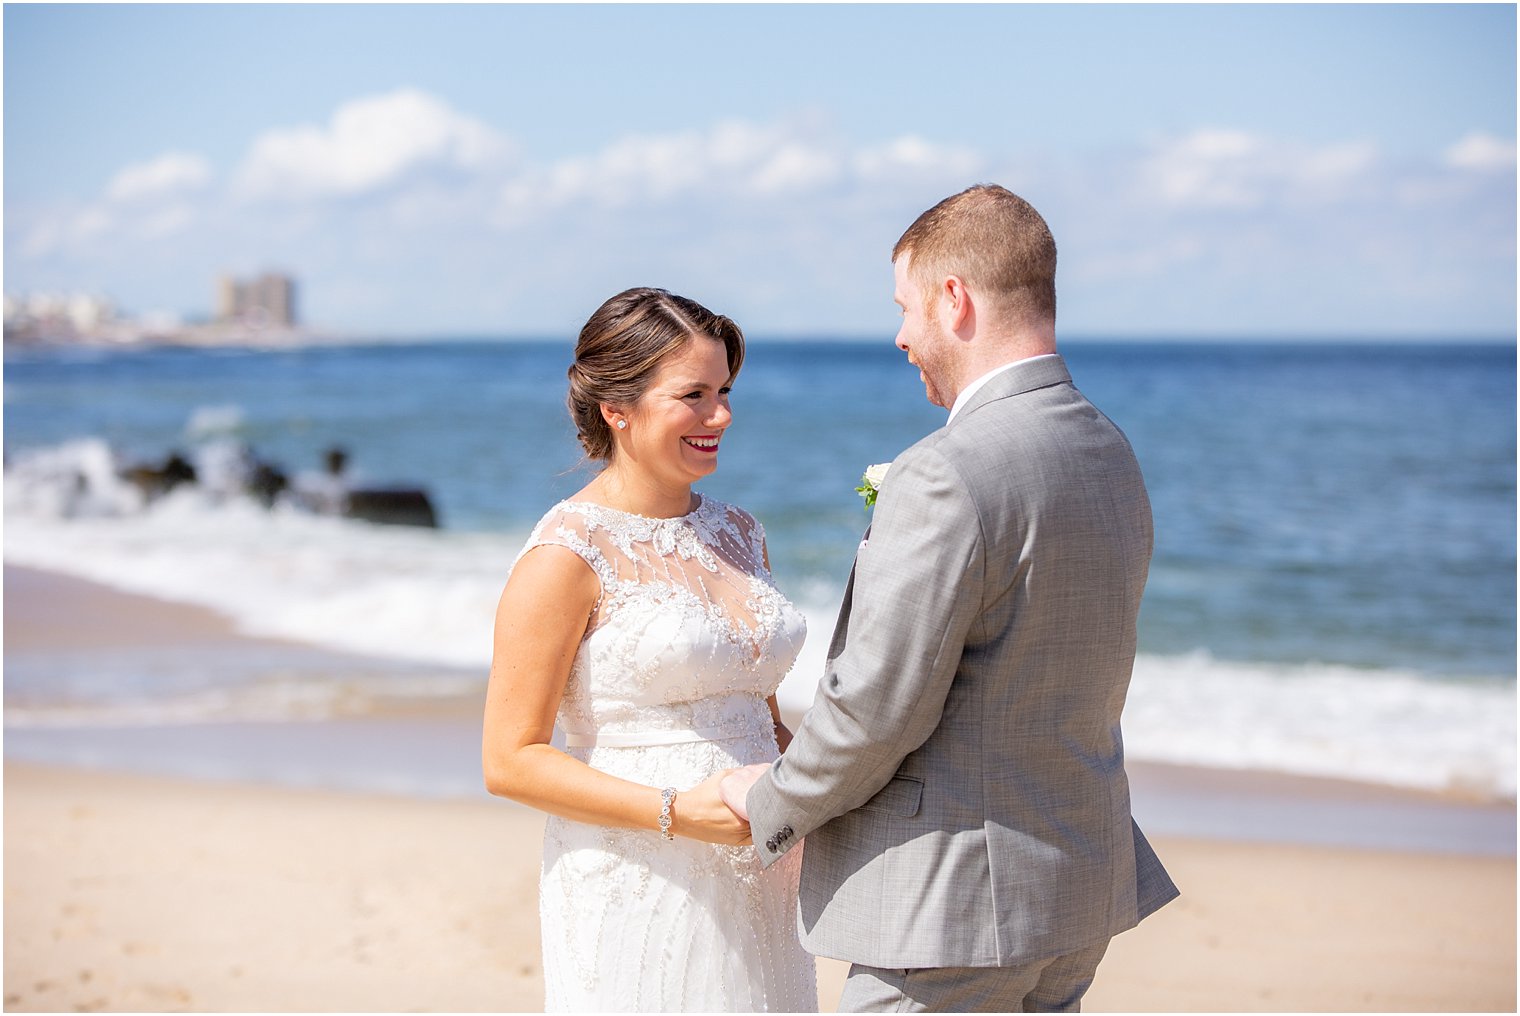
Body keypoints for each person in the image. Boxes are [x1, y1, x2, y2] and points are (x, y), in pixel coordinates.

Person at [722, 184, 1179, 1012]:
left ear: (954, 298)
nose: (900, 336)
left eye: (905, 308)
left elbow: (875, 710)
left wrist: (767, 805)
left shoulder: (946, 470)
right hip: (1074, 890)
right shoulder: (1108, 448)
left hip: (952, 913)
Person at [482, 287, 817, 1012]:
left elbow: (759, 712)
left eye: (725, 391)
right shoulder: (566, 554)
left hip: (762, 872)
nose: (721, 416)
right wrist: (676, 811)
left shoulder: (741, 533)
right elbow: (509, 761)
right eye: (693, 395)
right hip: (639, 876)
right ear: (617, 408)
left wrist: (820, 797)